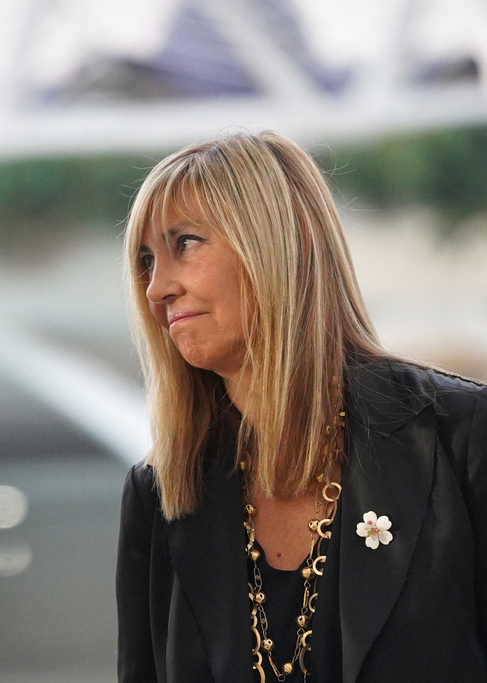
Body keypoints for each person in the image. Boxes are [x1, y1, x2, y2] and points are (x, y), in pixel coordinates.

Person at [116, 130, 487, 682]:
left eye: (185, 243)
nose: (156, 288)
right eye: (146, 260)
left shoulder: (461, 436)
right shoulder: (161, 492)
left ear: (291, 242)